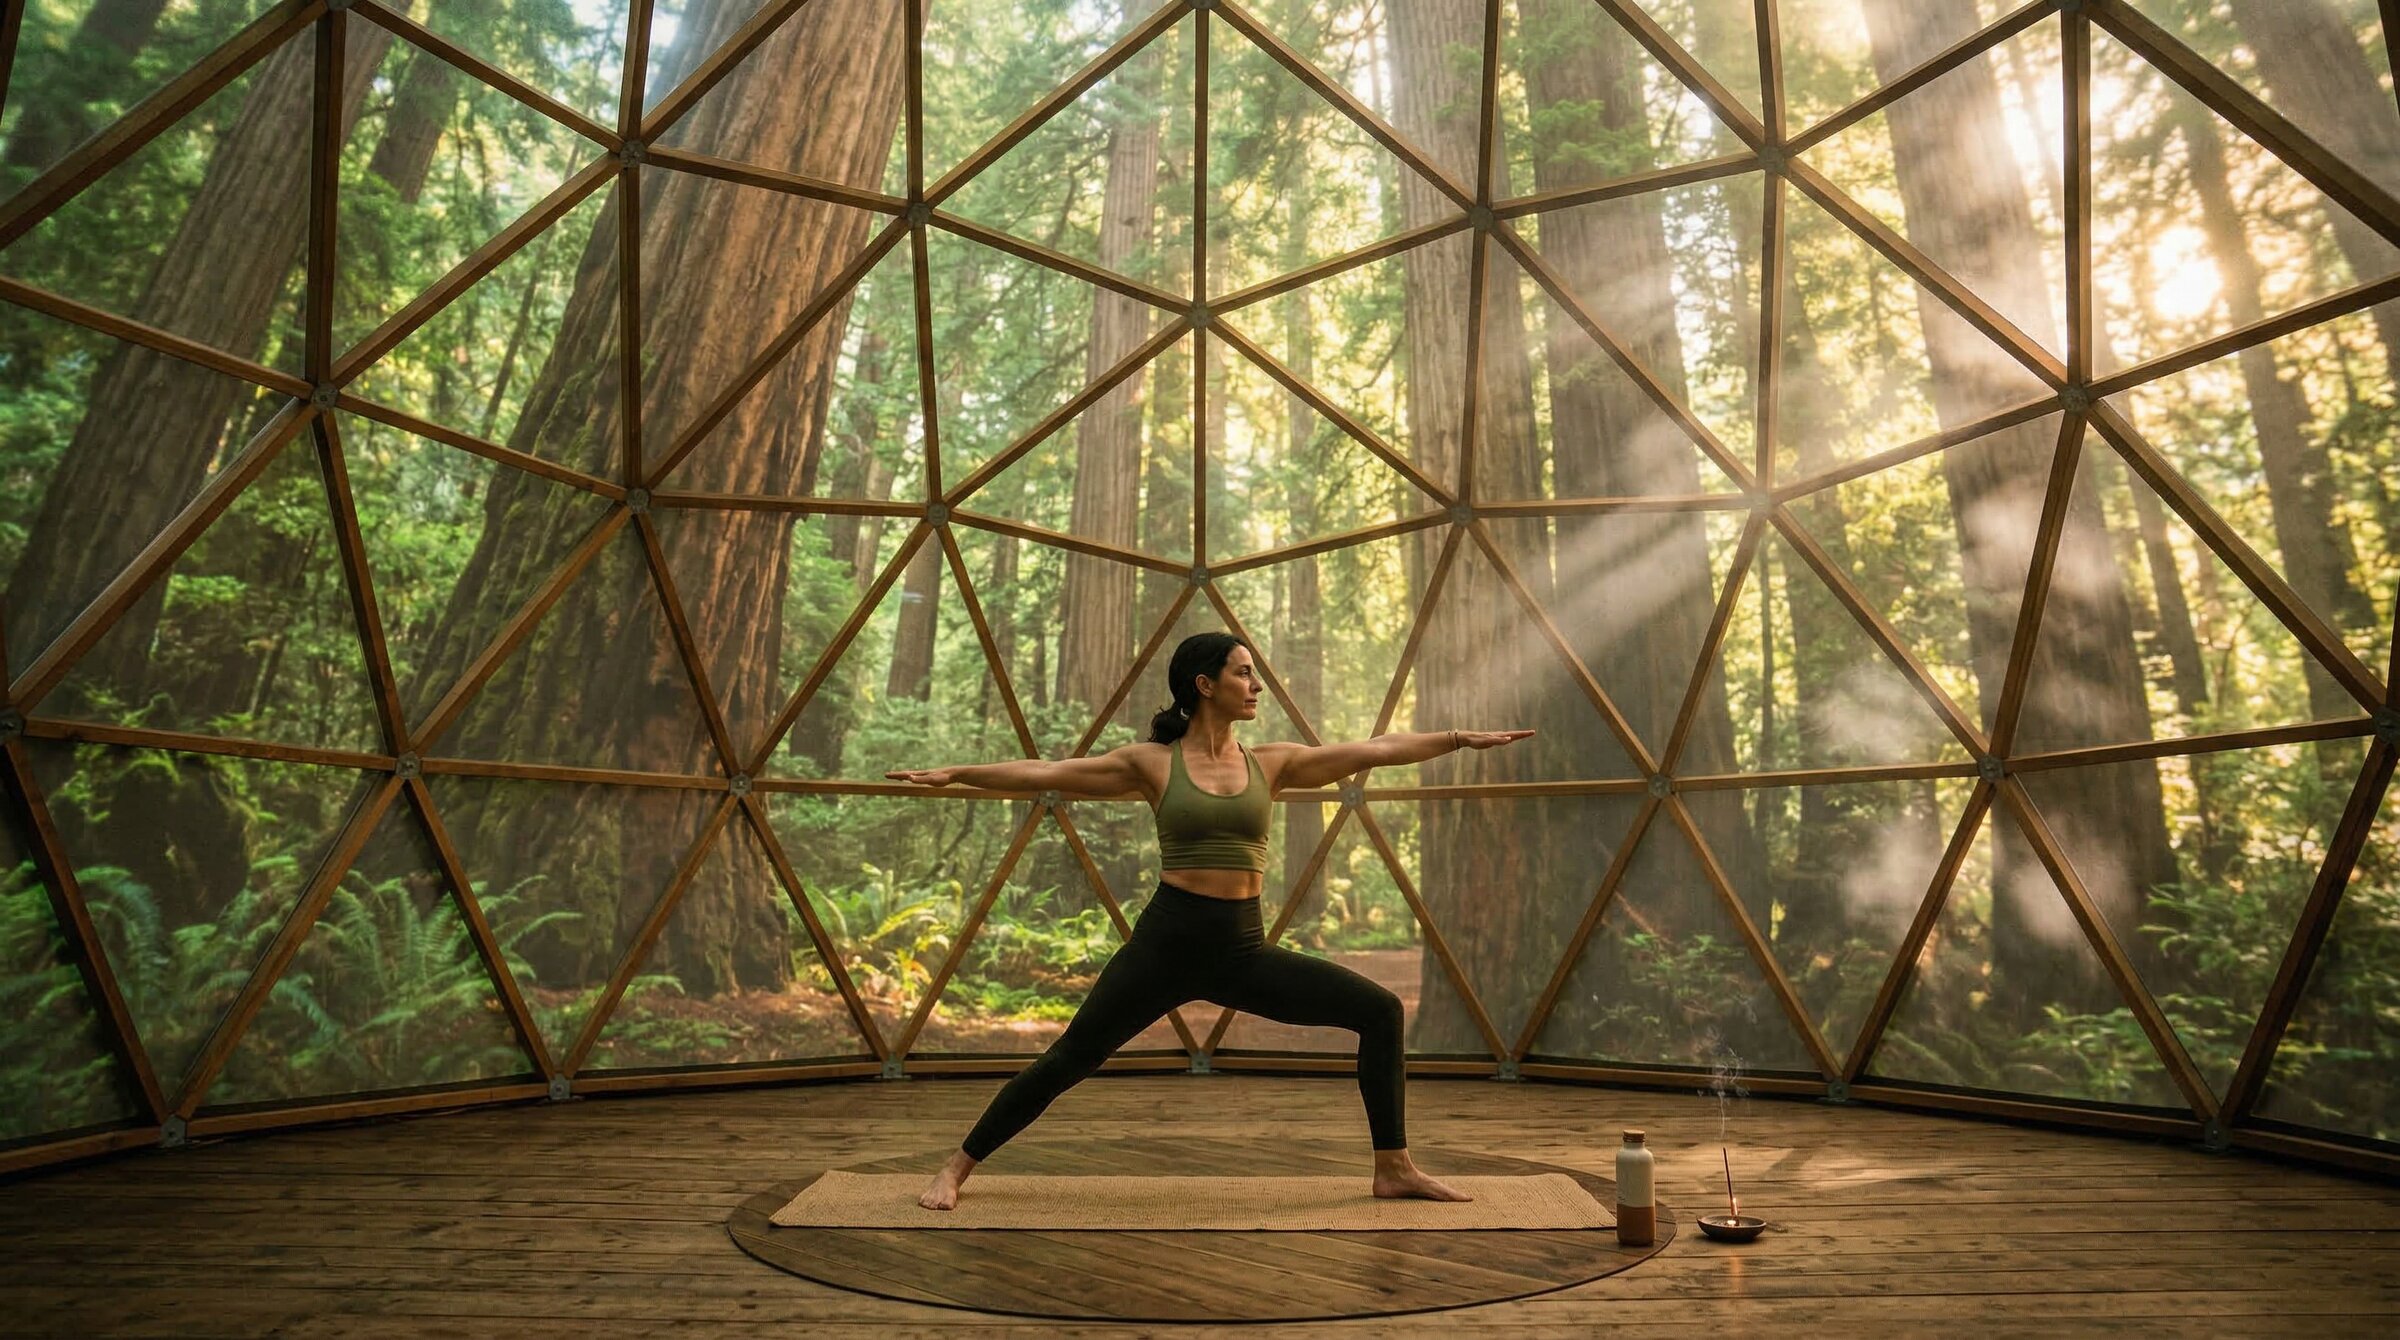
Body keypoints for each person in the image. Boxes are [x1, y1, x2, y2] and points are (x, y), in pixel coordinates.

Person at [886, 631, 1535, 1211]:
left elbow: (1375, 748)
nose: (1256, 686)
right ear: (1205, 684)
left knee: (1380, 1011)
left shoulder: (1271, 763)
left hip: (1241, 951)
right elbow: (1048, 772)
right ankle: (956, 1167)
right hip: (1165, 946)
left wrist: (1456, 739)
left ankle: (1393, 1169)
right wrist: (957, 774)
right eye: (1243, 673)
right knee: (1071, 1058)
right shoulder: (1151, 763)